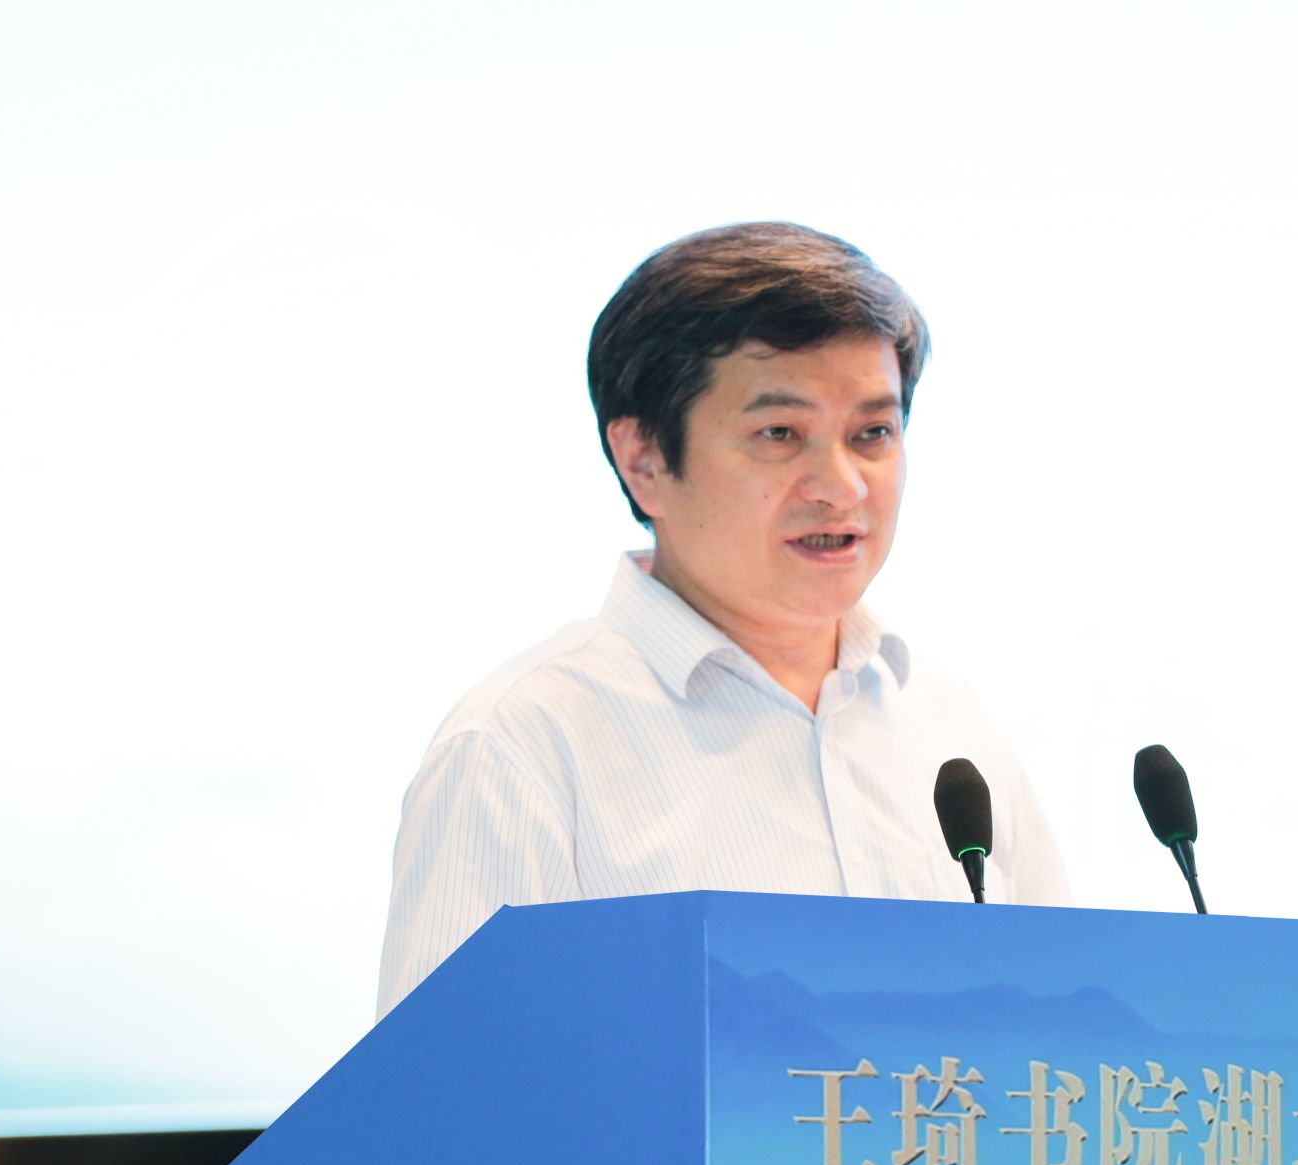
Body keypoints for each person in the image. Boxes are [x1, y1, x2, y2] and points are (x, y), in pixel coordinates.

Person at [377, 221, 1070, 1019]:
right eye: (780, 434)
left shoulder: (944, 722)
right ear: (643, 458)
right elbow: (446, 1086)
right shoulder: (519, 748)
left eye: (872, 433)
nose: (842, 486)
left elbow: (1061, 1041)